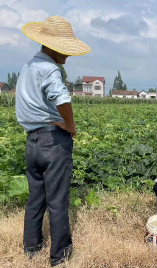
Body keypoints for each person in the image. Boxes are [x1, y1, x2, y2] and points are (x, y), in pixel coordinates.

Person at [16, 16, 90, 266]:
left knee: (36, 198)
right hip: (53, 141)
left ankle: (31, 248)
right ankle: (60, 256)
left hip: (32, 142)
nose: (67, 57)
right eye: (65, 51)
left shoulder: (28, 67)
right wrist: (70, 125)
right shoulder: (50, 69)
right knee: (57, 201)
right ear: (52, 47)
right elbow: (62, 98)